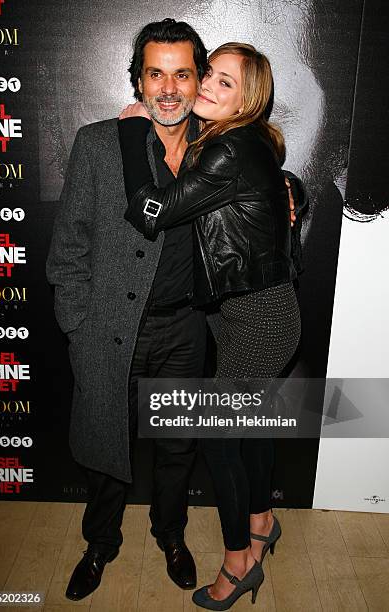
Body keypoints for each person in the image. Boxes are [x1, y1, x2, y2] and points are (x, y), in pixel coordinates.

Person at [46, 18, 298, 603]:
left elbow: (263, 182)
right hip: (109, 329)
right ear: (138, 80)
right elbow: (70, 247)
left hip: (188, 328)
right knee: (106, 445)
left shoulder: (217, 142)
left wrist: (295, 192)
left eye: (183, 74)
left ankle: (171, 536)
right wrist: (77, 324)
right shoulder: (97, 141)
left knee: (179, 444)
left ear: (198, 80)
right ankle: (100, 543)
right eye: (155, 73)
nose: (169, 87)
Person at [118, 42, 303, 608]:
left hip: (259, 318)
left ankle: (238, 564)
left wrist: (131, 131)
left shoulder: (230, 150)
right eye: (210, 75)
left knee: (222, 441)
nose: (205, 88)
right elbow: (269, 191)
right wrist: (295, 189)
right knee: (250, 430)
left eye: (225, 83)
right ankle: (263, 524)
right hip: (243, 313)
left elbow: (151, 211)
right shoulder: (230, 142)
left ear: (248, 101)